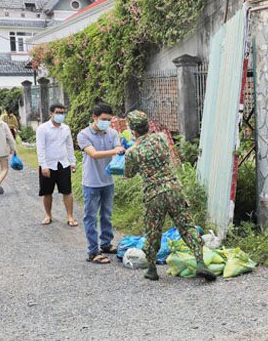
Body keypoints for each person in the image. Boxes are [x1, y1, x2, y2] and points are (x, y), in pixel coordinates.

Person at [123, 110, 216, 281]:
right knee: (187, 226)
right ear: (147, 125)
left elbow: (128, 173)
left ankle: (151, 269)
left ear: (133, 130)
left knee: (153, 231)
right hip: (174, 189)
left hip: (154, 194)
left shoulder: (133, 152)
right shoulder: (161, 138)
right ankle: (200, 262)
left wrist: (129, 151)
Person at [76, 104, 124, 265]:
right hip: (91, 182)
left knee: (106, 215)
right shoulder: (83, 135)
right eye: (104, 119)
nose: (107, 123)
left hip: (108, 181)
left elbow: (118, 146)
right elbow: (94, 154)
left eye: (109, 120)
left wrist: (120, 149)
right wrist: (115, 151)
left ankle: (106, 244)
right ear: (94, 117)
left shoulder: (112, 132)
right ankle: (93, 252)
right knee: (90, 216)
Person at [36, 103, 77, 226]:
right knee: (47, 192)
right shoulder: (43, 129)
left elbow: (70, 146)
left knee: (67, 191)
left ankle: (70, 216)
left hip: (63, 164)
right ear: (51, 114)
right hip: (48, 165)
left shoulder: (66, 128)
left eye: (62, 113)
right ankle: (48, 215)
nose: (60, 115)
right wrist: (43, 165)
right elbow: (40, 148)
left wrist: (72, 162)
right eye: (58, 112)